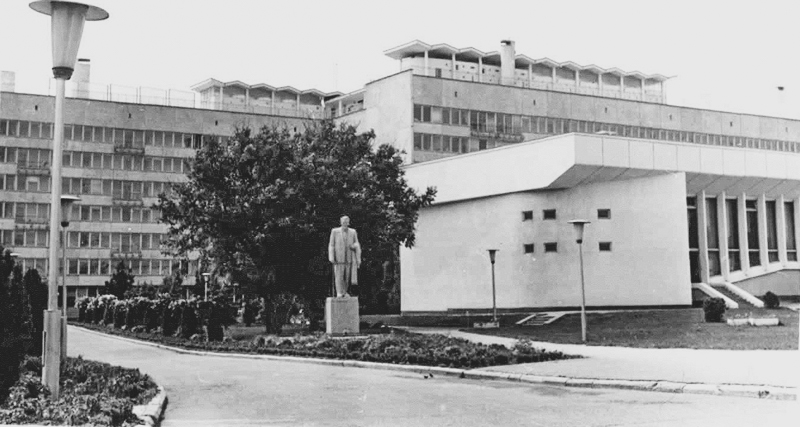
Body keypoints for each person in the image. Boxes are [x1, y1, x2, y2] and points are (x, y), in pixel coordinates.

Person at [328, 215, 361, 297]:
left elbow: (357, 243)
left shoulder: (353, 232)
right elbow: (331, 244)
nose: (345, 223)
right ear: (341, 222)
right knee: (339, 276)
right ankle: (339, 292)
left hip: (349, 257)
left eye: (346, 222)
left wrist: (354, 246)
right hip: (338, 258)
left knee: (347, 276)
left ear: (348, 223)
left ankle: (344, 291)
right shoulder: (335, 231)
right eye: (343, 222)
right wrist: (331, 257)